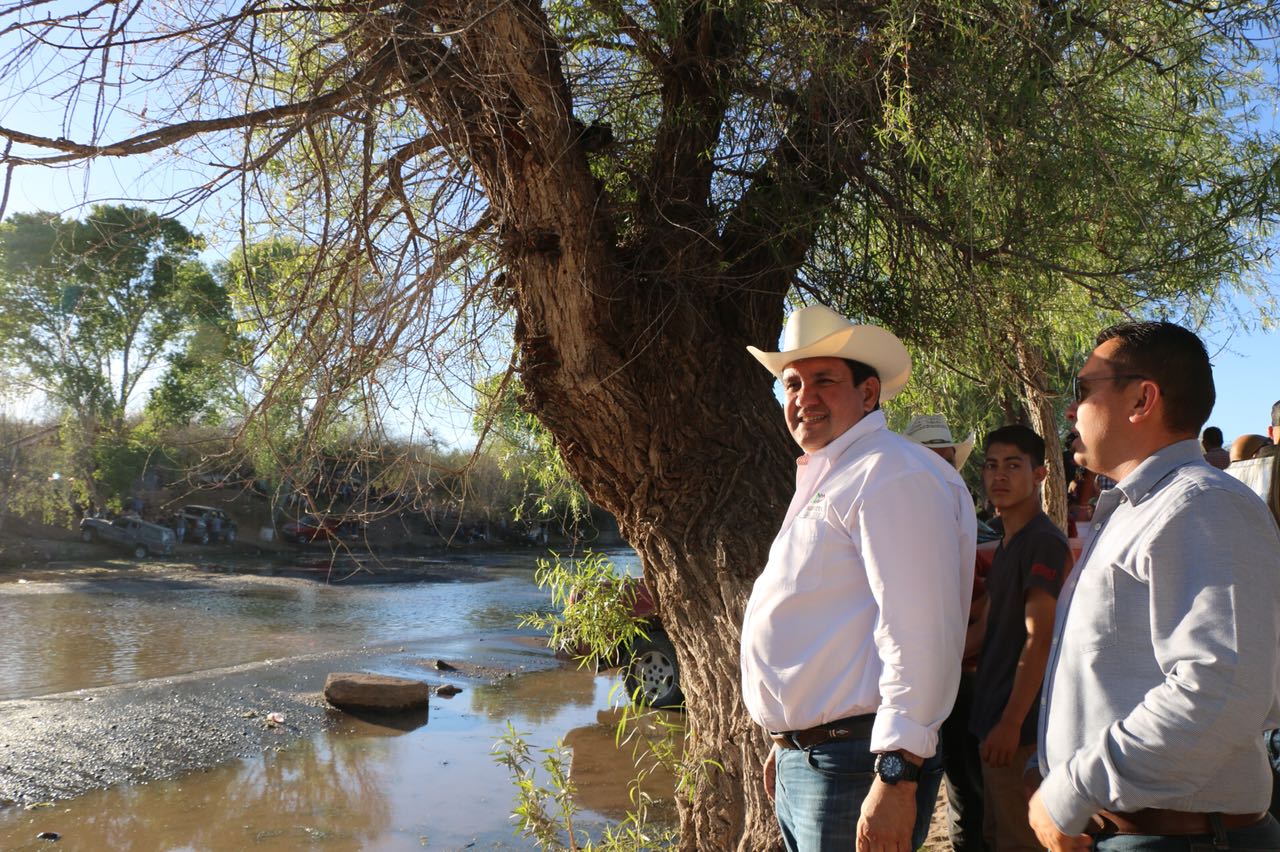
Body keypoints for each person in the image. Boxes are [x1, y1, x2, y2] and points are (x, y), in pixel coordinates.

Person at [1028, 321, 1280, 852]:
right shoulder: (1143, 510)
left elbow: (1219, 689)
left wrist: (1072, 791)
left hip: (1177, 838)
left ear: (1142, 400)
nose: (1071, 410)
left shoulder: (1202, 505)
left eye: (1083, 389)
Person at [740, 305, 977, 852]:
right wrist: (787, 740)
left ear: (868, 394)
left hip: (856, 760)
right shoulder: (841, 473)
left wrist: (898, 774)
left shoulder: (890, 472)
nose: (804, 397)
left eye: (824, 380)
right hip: (820, 758)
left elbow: (918, 634)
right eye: (792, 383)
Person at [971, 424, 1069, 852]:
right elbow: (984, 631)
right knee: (996, 835)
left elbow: (1039, 639)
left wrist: (1011, 723)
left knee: (1019, 841)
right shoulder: (1008, 543)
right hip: (991, 714)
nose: (1000, 476)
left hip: (1020, 728)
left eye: (1013, 466)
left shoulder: (1042, 543)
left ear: (1040, 474)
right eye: (992, 465)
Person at [906, 413, 987, 852]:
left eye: (947, 459)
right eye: (934, 457)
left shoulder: (951, 511)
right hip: (926, 673)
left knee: (963, 786)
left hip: (952, 672)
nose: (943, 466)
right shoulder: (935, 512)